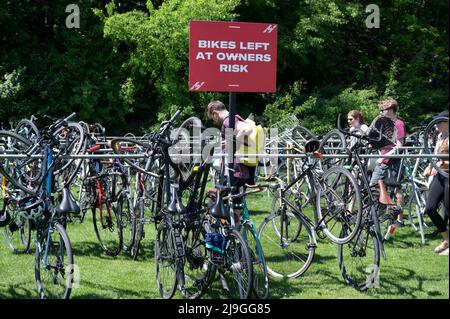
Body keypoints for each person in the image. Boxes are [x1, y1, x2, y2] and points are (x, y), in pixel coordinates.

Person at [205, 100, 255, 223]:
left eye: (213, 118)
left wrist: (231, 146)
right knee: (235, 208)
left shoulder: (229, 120)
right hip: (242, 173)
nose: (214, 121)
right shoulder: (234, 119)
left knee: (213, 203)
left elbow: (247, 129)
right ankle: (235, 237)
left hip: (235, 173)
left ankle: (221, 236)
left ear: (215, 113)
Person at [370, 98, 407, 227]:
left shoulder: (398, 124)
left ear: (391, 110)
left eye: (383, 110)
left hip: (393, 162)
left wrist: (384, 157)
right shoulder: (385, 125)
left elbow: (399, 146)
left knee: (396, 191)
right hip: (383, 162)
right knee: (375, 188)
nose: (381, 113)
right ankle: (378, 217)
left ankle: (399, 220)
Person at [422, 110, 449, 256]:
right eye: (436, 122)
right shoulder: (440, 136)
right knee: (430, 208)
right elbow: (435, 153)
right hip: (440, 174)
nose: (437, 125)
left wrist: (440, 162)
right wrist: (430, 166)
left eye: (440, 122)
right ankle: (446, 239)